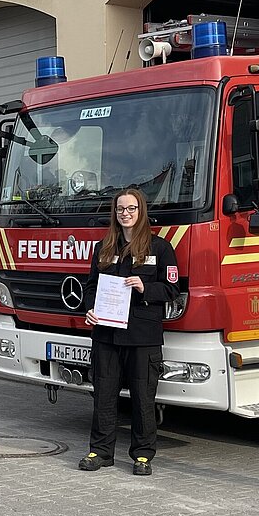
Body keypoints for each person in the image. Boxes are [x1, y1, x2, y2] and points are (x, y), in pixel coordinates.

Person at [80, 189, 179, 476]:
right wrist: (89, 309)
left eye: (131, 208)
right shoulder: (104, 248)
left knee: (143, 399)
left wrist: (145, 288)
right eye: (120, 209)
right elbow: (91, 286)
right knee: (104, 397)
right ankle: (100, 452)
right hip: (106, 335)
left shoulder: (160, 248)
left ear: (141, 211)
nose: (125, 213)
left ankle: (143, 455)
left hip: (142, 337)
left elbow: (172, 288)